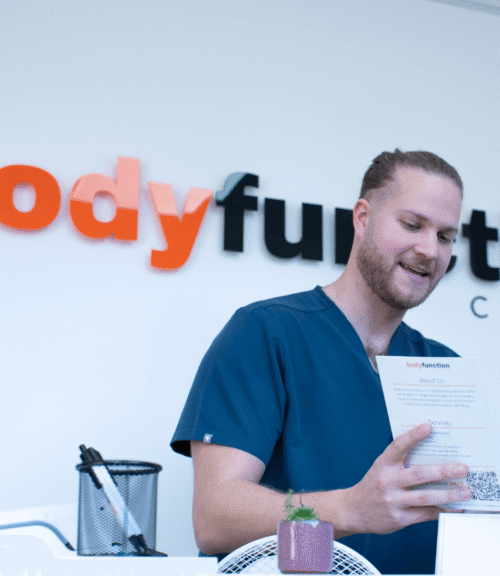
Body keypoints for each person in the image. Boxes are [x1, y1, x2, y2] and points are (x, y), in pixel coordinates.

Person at [170, 149, 473, 574]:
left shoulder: (444, 368)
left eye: (445, 236)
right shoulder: (265, 334)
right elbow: (214, 517)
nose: (429, 249)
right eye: (412, 224)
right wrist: (347, 509)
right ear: (363, 218)